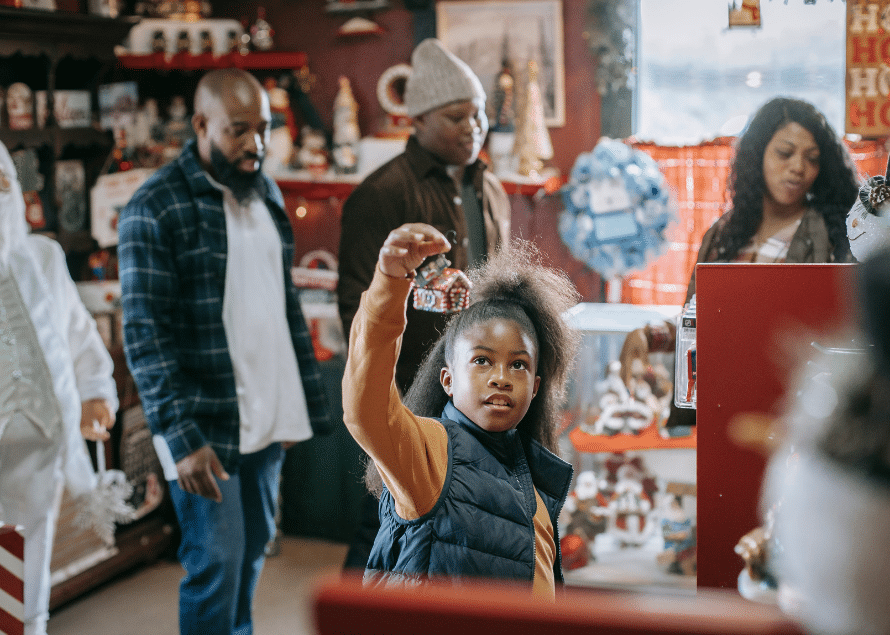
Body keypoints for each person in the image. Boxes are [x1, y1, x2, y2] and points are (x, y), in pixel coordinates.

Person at [118, 68, 331, 635]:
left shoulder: (264, 190)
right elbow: (143, 333)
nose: (255, 145)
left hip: (265, 414)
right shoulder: (153, 208)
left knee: (255, 546)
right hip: (202, 420)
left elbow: (278, 301)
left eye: (262, 129)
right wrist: (180, 439)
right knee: (217, 561)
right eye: (238, 130)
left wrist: (295, 401)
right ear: (200, 125)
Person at [337, 36, 511, 568]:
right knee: (388, 522)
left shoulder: (491, 188)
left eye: (479, 114)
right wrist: (385, 398)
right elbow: (356, 306)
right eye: (457, 116)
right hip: (409, 389)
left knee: (460, 529)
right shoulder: (382, 194)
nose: (473, 127)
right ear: (417, 120)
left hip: (474, 388)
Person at [342, 223, 580, 597]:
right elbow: (365, 409)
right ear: (448, 380)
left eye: (518, 365)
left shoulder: (534, 479)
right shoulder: (431, 451)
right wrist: (390, 282)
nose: (501, 377)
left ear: (535, 387)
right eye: (482, 361)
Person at [619, 96, 860, 422]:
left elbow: (843, 337)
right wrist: (650, 336)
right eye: (785, 153)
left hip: (788, 412)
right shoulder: (723, 234)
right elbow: (700, 324)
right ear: (757, 152)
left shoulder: (835, 236)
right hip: (718, 406)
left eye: (813, 158)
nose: (798, 168)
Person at [0, 140, 119, 635]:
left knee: (25, 566)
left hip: (41, 448)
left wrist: (95, 391)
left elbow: (78, 334)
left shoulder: (42, 257)